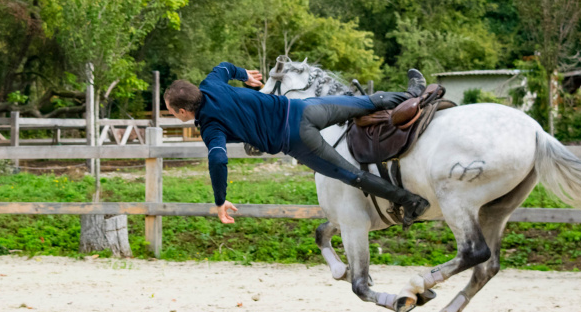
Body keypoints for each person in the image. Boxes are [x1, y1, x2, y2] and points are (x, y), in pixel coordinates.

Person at [165, 62, 430, 226]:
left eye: (170, 111)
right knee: (366, 103)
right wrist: (244, 74)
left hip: (298, 140)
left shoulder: (211, 128)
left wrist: (220, 200)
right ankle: (412, 94)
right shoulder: (211, 83)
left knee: (351, 175)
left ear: (181, 112)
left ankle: (410, 202)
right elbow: (224, 67)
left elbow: (219, 159)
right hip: (304, 109)